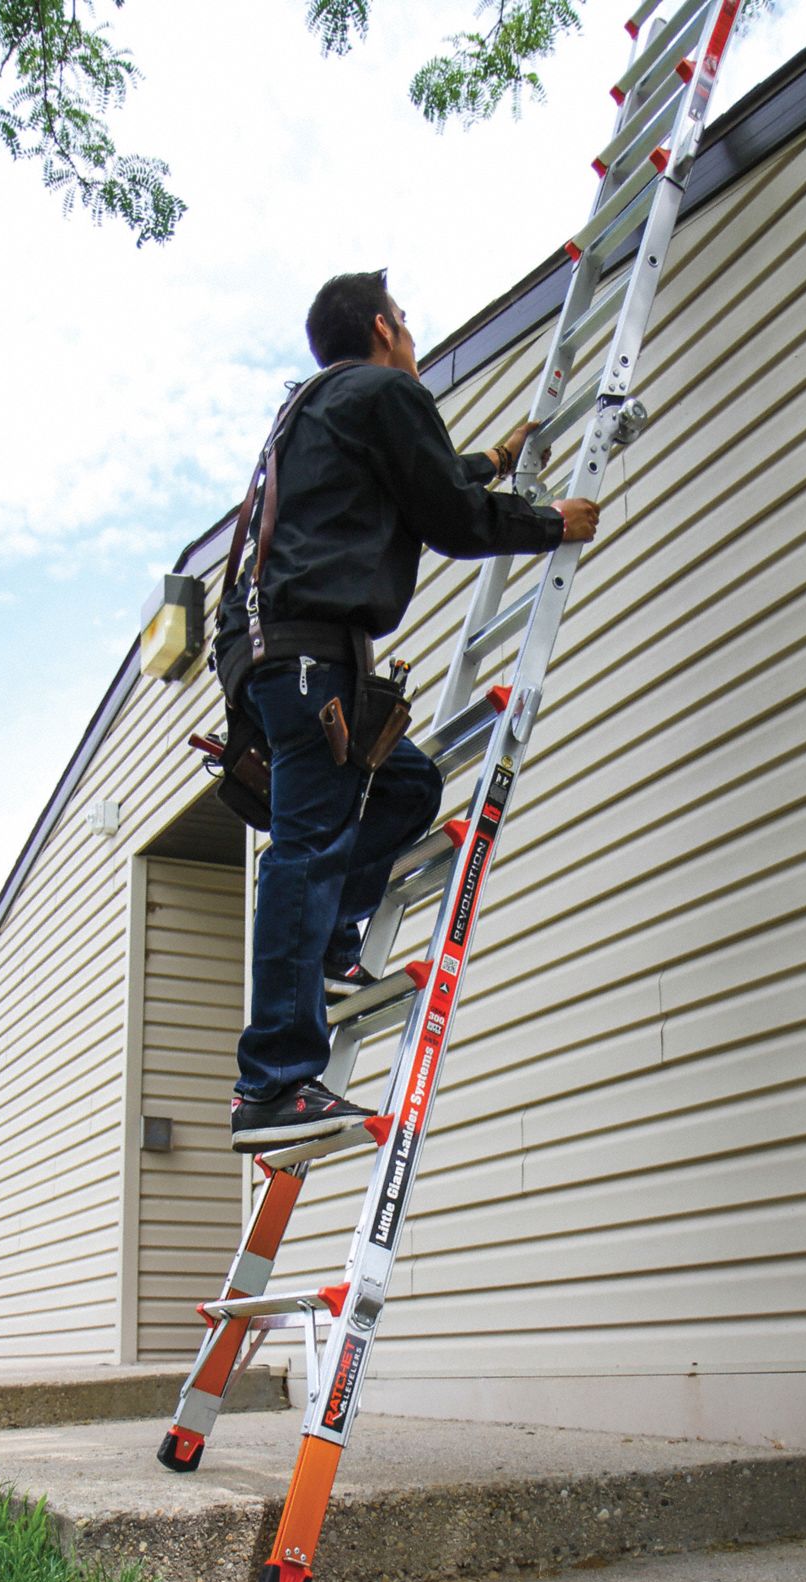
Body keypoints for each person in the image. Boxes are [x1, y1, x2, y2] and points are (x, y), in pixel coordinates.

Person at [217, 269, 600, 1153]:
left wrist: (496, 463)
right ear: (385, 328)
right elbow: (452, 520)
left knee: (406, 787)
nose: (416, 340)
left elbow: (419, 485)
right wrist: (551, 522)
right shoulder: (384, 391)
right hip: (310, 656)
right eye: (410, 324)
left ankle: (325, 949)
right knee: (305, 848)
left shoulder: (320, 408)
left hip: (287, 654)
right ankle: (271, 1084)